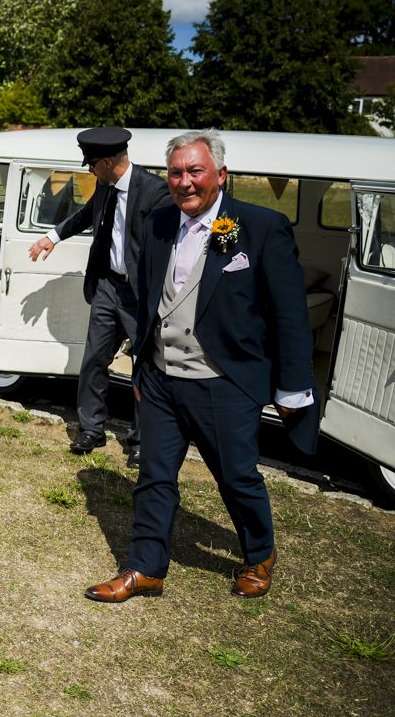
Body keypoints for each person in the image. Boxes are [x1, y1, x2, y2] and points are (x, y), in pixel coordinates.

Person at [85, 129, 317, 603]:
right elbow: (149, 298)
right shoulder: (158, 222)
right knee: (153, 475)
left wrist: (293, 389)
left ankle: (259, 554)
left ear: (220, 176)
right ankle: (145, 568)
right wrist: (141, 366)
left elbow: (290, 316)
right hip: (161, 379)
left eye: (195, 171)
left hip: (224, 382)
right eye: (176, 172)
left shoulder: (260, 227)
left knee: (236, 476)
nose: (184, 182)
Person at [28, 128, 170, 466]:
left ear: (108, 162)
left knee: (144, 366)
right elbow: (85, 216)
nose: (89, 170)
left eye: (92, 164)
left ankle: (140, 442)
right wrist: (52, 236)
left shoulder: (155, 192)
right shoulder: (105, 187)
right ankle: (92, 428)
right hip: (107, 286)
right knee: (93, 359)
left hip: (140, 294)